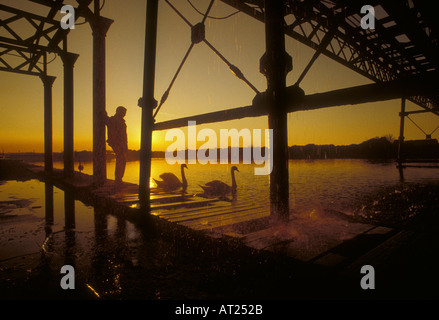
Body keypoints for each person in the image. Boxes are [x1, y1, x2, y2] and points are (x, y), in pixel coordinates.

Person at [105, 106, 128, 187]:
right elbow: (106, 120)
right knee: (121, 161)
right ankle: (118, 180)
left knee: (121, 161)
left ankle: (118, 180)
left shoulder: (119, 121)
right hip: (118, 144)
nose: (125, 114)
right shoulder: (114, 120)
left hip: (122, 144)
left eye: (125, 113)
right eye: (123, 112)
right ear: (119, 112)